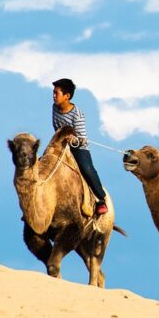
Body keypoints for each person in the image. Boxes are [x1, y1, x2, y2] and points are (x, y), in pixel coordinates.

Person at [51, 78, 108, 216]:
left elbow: (82, 139)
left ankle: (101, 199)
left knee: (87, 169)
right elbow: (56, 128)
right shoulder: (54, 108)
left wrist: (73, 140)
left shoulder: (77, 114)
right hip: (61, 146)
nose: (53, 96)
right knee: (42, 164)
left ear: (67, 96)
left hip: (78, 148)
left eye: (56, 93)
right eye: (53, 93)